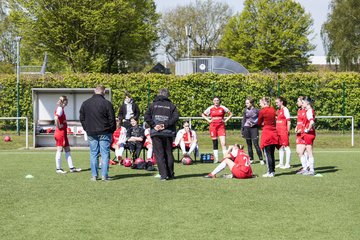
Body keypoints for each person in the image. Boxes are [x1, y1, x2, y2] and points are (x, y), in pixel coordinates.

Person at [80, 85, 116, 181]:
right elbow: (112, 119)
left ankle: (94, 176)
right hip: (105, 131)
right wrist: (112, 130)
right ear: (103, 92)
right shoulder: (107, 103)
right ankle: (104, 175)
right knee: (105, 154)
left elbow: (82, 118)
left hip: (91, 131)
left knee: (93, 153)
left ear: (94, 91)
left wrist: (86, 128)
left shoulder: (85, 103)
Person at [144, 88, 179, 181]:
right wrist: (165, 125)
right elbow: (176, 117)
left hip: (156, 133)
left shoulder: (152, 105)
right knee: (168, 153)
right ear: (167, 95)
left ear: (159, 94)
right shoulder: (171, 106)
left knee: (159, 154)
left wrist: (154, 125)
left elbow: (146, 117)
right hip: (168, 133)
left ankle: (163, 175)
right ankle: (170, 174)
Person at [53, 96, 81, 174]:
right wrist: (59, 126)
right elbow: (56, 118)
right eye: (66, 100)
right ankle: (58, 169)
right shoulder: (60, 109)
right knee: (59, 149)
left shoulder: (61, 108)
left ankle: (71, 168)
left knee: (67, 149)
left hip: (62, 133)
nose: (67, 101)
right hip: (60, 133)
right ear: (64, 101)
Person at [202, 96, 233, 163]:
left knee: (223, 143)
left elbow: (230, 114)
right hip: (213, 126)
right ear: (213, 101)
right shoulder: (210, 108)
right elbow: (203, 114)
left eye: (217, 100)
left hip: (221, 127)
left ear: (219, 101)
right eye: (215, 100)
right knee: (215, 142)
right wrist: (209, 120)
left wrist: (225, 120)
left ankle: (225, 158)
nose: (216, 101)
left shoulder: (223, 107)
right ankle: (216, 159)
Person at [258, 97, 279, 178]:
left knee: (267, 154)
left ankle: (269, 172)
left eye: (260, 102)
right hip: (274, 133)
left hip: (267, 133)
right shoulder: (273, 110)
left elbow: (259, 122)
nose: (260, 104)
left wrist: (260, 125)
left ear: (264, 102)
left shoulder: (262, 111)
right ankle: (272, 171)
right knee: (272, 153)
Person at [296, 96, 316, 176]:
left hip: (308, 134)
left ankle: (311, 170)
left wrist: (307, 130)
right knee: (302, 151)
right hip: (306, 134)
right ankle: (306, 169)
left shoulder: (309, 111)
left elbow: (312, 122)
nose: (302, 104)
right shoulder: (308, 110)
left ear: (307, 103)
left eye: (303, 102)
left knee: (309, 152)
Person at [241, 97, 264, 165]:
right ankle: (251, 159)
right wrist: (242, 130)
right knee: (249, 145)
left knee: (256, 144)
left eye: (247, 103)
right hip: (246, 128)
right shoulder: (245, 111)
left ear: (252, 103)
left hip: (254, 129)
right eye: (246, 103)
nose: (246, 104)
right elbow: (244, 120)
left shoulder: (257, 110)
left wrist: (255, 123)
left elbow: (260, 119)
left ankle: (261, 159)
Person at [275, 97, 291, 169]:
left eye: (277, 102)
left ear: (281, 102)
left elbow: (289, 121)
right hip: (278, 131)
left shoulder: (285, 109)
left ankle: (287, 164)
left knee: (286, 147)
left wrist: (288, 131)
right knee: (280, 147)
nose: (276, 104)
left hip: (283, 131)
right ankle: (281, 163)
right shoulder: (278, 110)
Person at [295, 96, 309, 172]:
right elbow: (299, 121)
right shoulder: (299, 110)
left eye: (298, 101)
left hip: (303, 133)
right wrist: (297, 127)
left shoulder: (307, 110)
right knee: (302, 151)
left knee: (300, 151)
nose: (297, 103)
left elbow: (308, 122)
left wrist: (302, 129)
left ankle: (306, 167)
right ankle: (306, 166)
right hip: (299, 133)